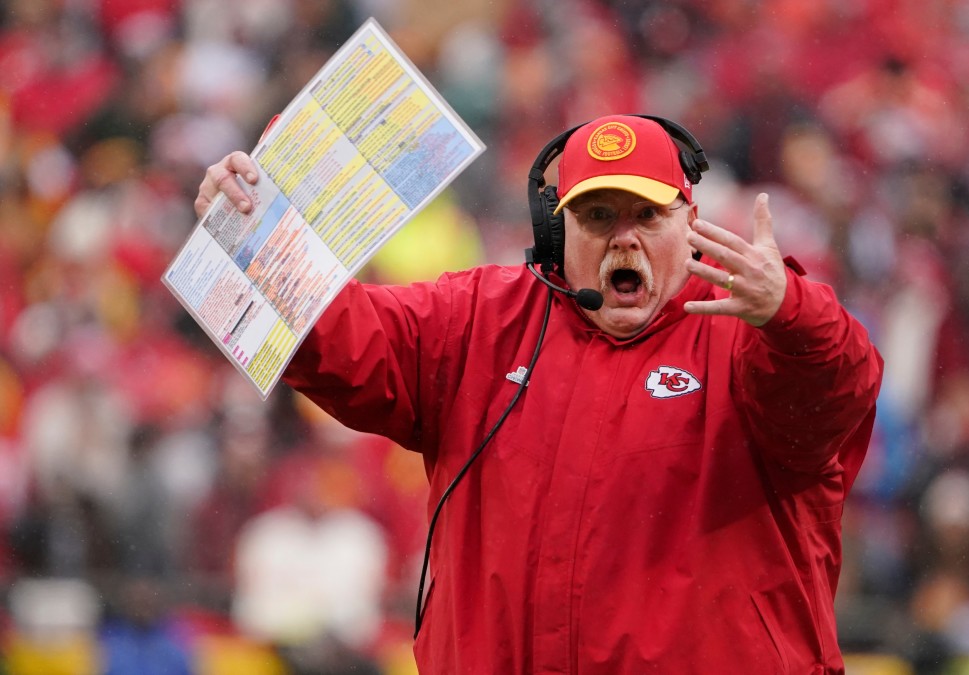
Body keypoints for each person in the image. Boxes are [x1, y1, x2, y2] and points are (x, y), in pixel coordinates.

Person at [194, 113, 884, 674]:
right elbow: (340, 339)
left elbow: (839, 388)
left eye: (647, 215)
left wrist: (790, 309)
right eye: (598, 216)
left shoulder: (753, 335)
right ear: (557, 230)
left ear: (690, 222)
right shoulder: (482, 321)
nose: (624, 239)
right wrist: (248, 239)